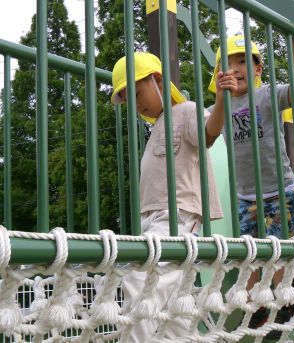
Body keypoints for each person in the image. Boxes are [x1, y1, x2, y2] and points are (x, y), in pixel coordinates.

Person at [110, 52, 224, 342]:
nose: (136, 105)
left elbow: (209, 133)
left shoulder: (185, 110)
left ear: (158, 80)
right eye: (128, 102)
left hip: (176, 219)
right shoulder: (158, 124)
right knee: (177, 306)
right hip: (153, 222)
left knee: (142, 286)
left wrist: (222, 99)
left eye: (136, 94)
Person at [207, 25, 294, 337]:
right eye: (228, 63)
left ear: (257, 69)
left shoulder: (267, 95)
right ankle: (260, 309)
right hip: (245, 197)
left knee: (276, 252)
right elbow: (205, 134)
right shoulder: (219, 109)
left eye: (243, 62)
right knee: (249, 257)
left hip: (279, 191)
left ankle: (281, 306)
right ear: (218, 74)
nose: (236, 68)